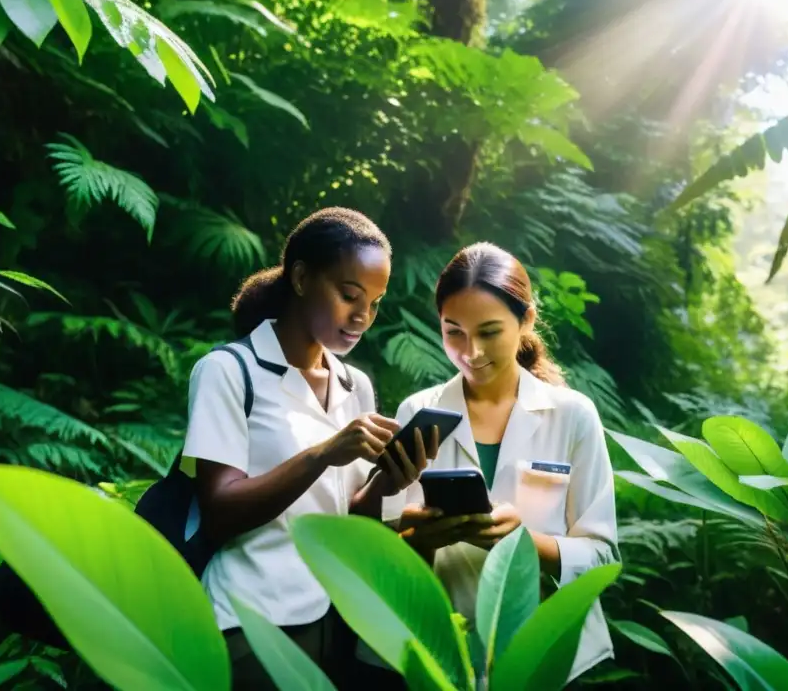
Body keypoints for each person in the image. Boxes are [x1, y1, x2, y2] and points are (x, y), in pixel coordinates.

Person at [181, 207, 436, 689]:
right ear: (300, 277)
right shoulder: (228, 371)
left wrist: (390, 481)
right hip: (251, 623)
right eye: (349, 295)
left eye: (375, 302)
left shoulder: (353, 383)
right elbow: (219, 510)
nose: (363, 316)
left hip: (336, 621)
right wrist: (323, 454)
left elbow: (350, 520)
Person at [382, 242, 619, 685]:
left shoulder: (572, 415)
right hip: (442, 651)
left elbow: (603, 556)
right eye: (454, 332)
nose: (471, 352)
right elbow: (390, 552)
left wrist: (523, 543)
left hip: (547, 654)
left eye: (489, 332)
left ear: (526, 320)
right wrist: (419, 534)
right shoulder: (418, 411)